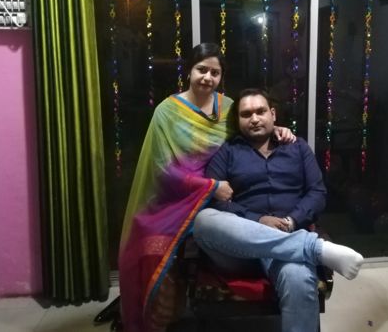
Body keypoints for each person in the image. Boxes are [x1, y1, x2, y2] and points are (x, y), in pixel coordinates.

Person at [117, 44, 295, 331]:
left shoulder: (228, 108)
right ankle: (161, 321)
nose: (207, 77)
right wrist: (210, 187)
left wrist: (276, 129)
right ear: (189, 70)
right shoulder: (167, 112)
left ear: (221, 77)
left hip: (226, 195)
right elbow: (163, 170)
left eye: (215, 72)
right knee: (152, 245)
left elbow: (252, 125)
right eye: (202, 69)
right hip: (176, 198)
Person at [193, 88, 365, 332]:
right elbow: (215, 200)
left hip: (287, 241)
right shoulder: (228, 152)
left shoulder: (298, 147)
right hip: (241, 251)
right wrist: (258, 220)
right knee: (203, 221)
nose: (254, 118)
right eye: (246, 114)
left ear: (272, 114)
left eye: (260, 111)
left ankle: (302, 247)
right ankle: (314, 249)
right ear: (238, 121)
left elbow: (317, 193)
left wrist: (291, 221)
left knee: (299, 279)